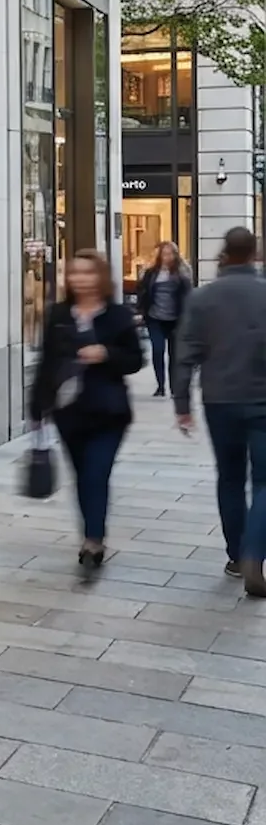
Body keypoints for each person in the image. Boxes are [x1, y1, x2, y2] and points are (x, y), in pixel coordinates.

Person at [29, 249, 144, 574]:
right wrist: (37, 407)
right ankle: (91, 531)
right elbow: (47, 362)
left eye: (88, 272)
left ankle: (94, 539)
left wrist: (106, 353)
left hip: (108, 412)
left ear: (101, 277)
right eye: (75, 273)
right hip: (69, 412)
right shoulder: (58, 314)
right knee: (82, 475)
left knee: (96, 473)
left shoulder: (118, 315)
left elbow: (136, 360)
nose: (80, 279)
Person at [173, 227, 266, 594]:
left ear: (225, 253)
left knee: (230, 477)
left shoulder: (202, 297)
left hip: (220, 400)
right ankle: (255, 554)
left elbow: (185, 354)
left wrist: (182, 404)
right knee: (264, 481)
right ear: (255, 254)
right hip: (262, 399)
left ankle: (236, 555)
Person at [136, 241, 192, 398]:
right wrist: (141, 310)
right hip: (155, 317)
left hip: (175, 319)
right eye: (164, 254)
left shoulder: (182, 273)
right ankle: (160, 386)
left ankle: (174, 388)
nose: (167, 257)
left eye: (170, 254)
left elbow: (188, 295)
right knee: (158, 349)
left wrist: (187, 317)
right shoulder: (151, 273)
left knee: (174, 354)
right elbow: (143, 291)